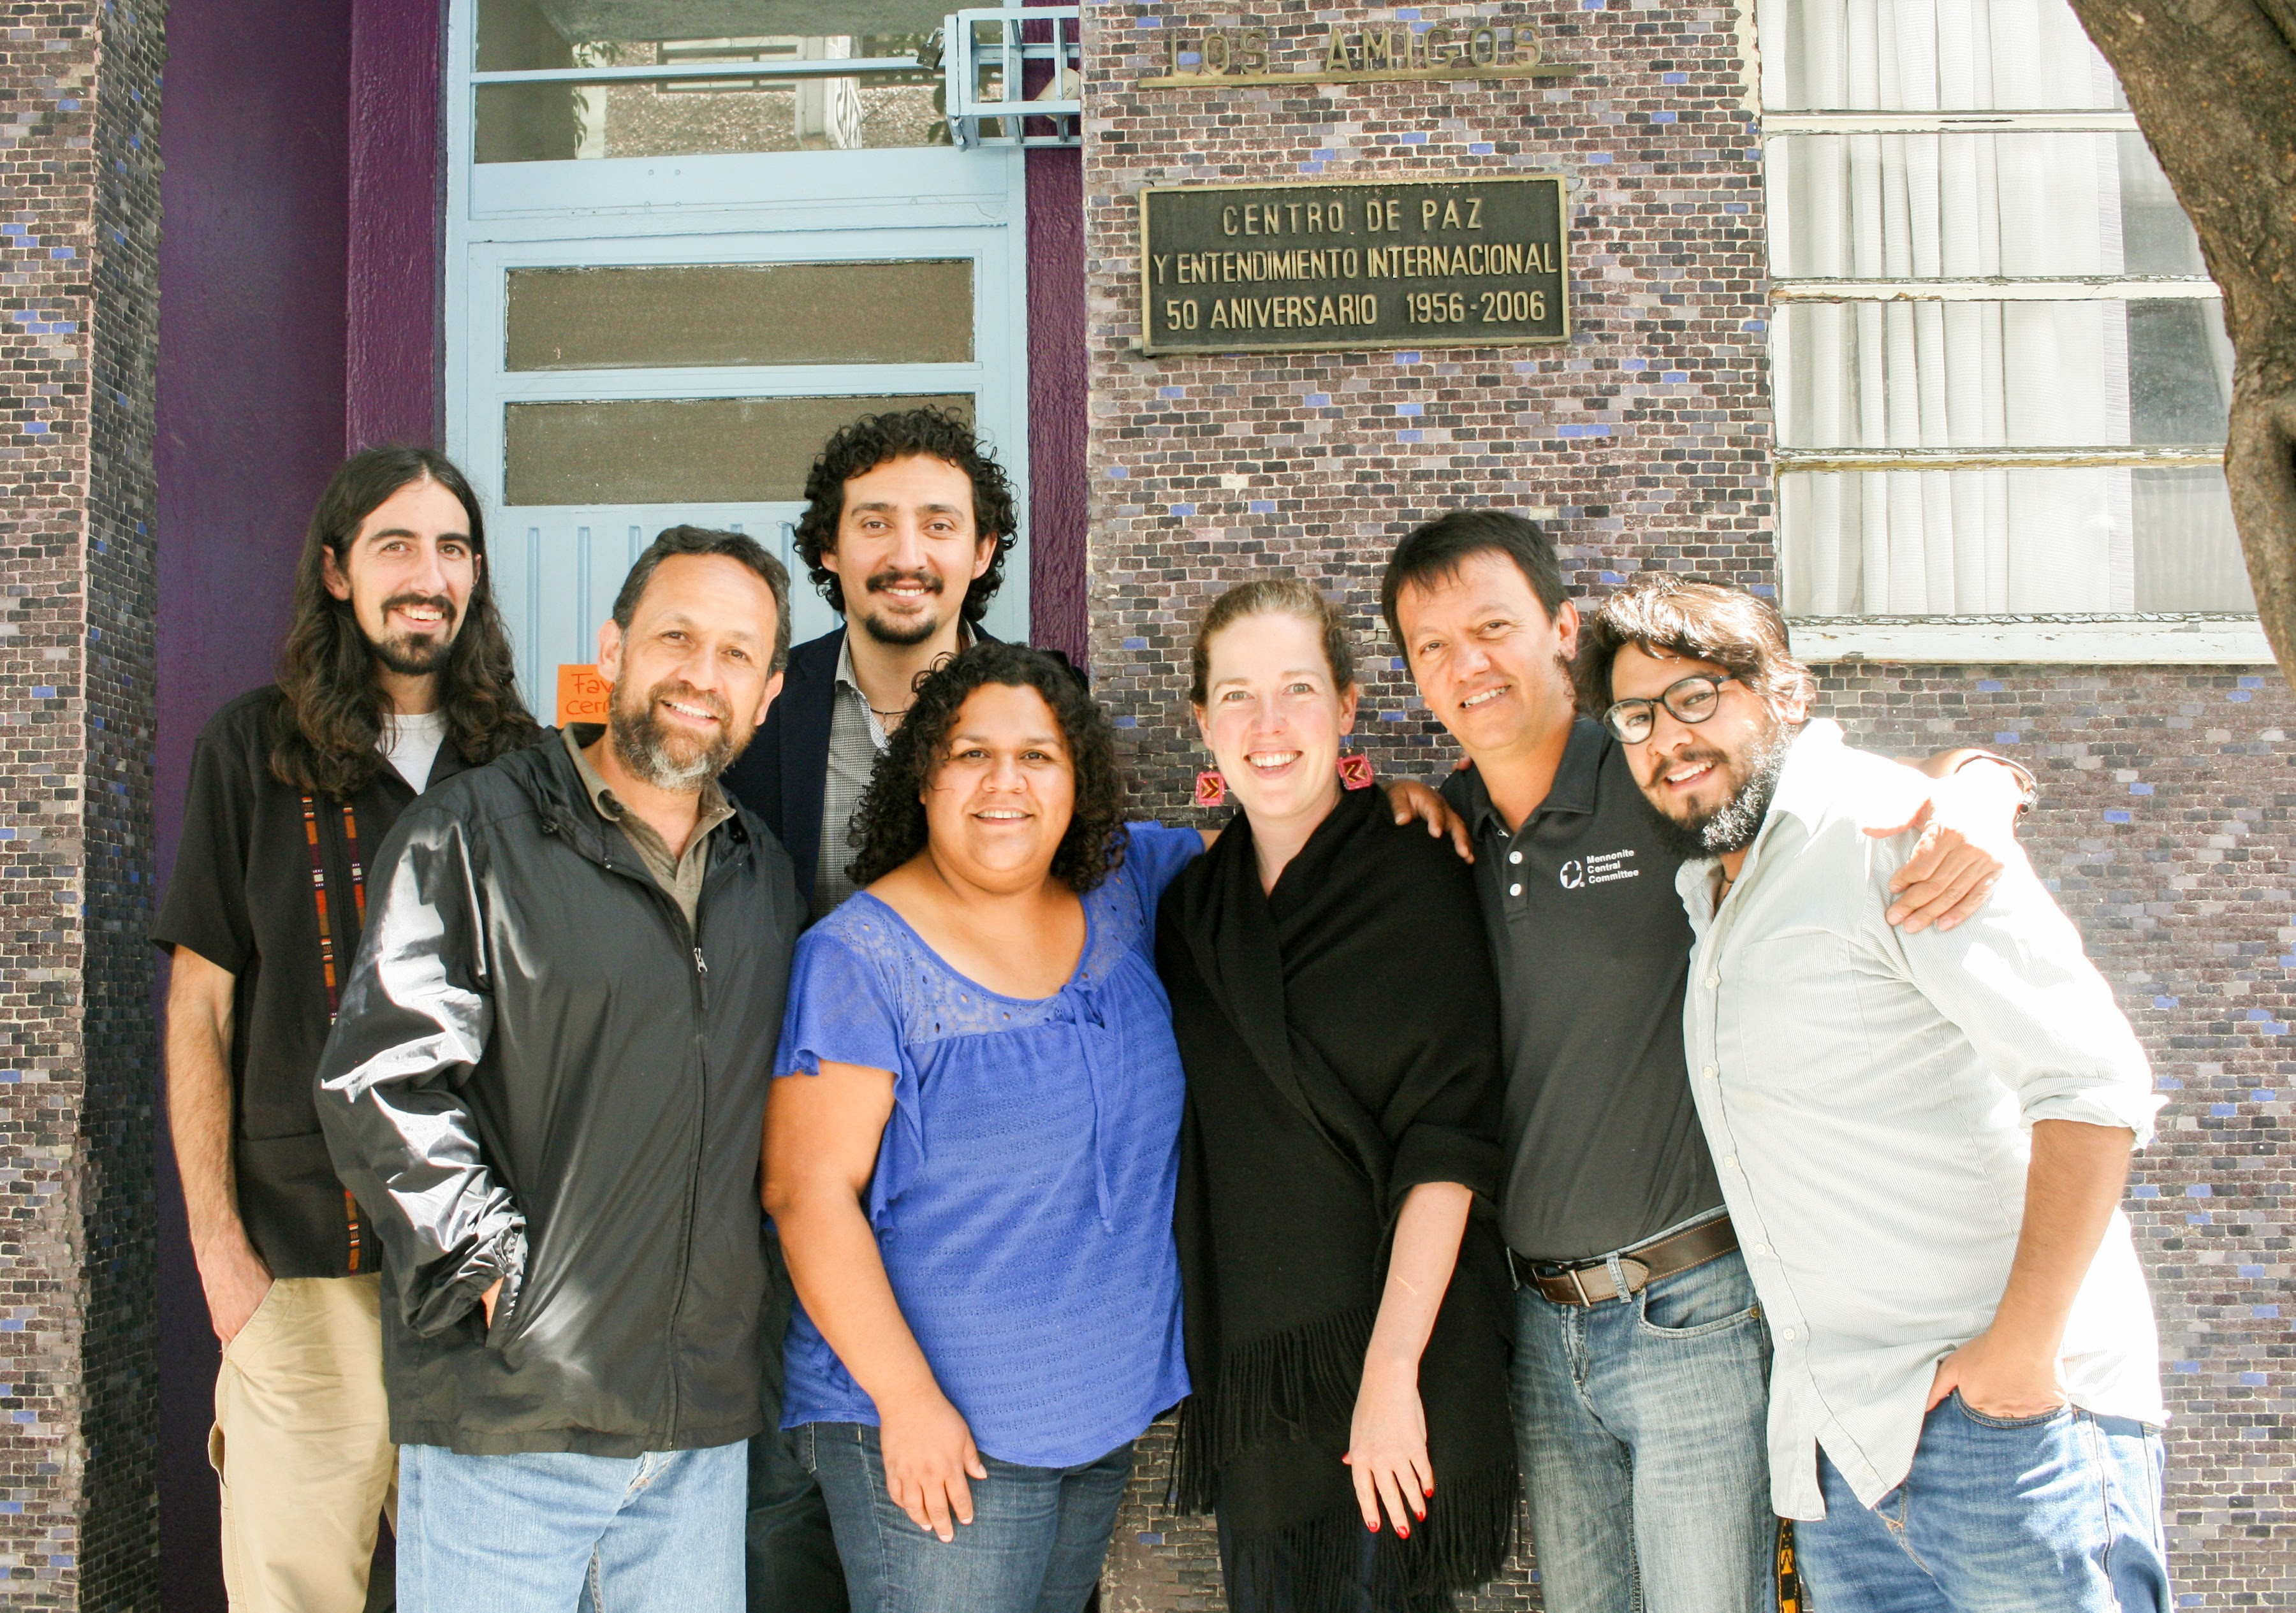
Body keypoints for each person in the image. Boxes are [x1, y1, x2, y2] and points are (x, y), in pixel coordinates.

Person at [1379, 511, 2035, 1613]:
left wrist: (1983, 782)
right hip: (1542, 1327)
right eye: (1431, 647)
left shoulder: (1655, 769)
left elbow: (1852, 794)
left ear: (1560, 628)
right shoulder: (1449, 829)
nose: (1466, 664)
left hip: (1698, 1309)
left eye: (1492, 627)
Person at [1586, 575, 2169, 1612]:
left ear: (1787, 694)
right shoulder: (1714, 891)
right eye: (1635, 715)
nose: (1665, 737)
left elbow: (2092, 1083)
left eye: (1695, 695)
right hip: (1847, 1457)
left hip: (2004, 1436)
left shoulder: (1889, 830)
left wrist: (2019, 1361)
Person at [312, 527, 804, 1612]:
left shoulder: (763, 878)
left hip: (698, 1434)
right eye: (675, 636)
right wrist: (488, 1265)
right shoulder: (475, 834)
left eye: (735, 654)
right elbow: (381, 1073)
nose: (699, 675)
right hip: (513, 1424)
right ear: (613, 648)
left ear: (767, 695)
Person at [154, 446, 542, 1612]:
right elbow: (198, 1010)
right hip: (301, 1268)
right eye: (397, 546)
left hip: (484, 1276)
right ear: (336, 570)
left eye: (453, 549)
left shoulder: (525, 771)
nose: (429, 575)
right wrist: (221, 1254)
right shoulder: (249, 752)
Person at [762, 643, 1203, 1613]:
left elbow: (1283, 850)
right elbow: (805, 1192)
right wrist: (907, 1402)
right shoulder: (857, 958)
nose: (1005, 781)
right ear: (923, 777)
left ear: (1077, 779)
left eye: (1039, 755)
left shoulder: (1122, 888)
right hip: (932, 1430)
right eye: (971, 754)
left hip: (1099, 1406)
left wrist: (1397, 801)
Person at [1158, 579, 1517, 1613]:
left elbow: (1449, 1141)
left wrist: (1390, 1372)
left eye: (1297, 690)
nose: (1267, 727)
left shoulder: (1421, 870)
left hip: (1395, 1357)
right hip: (1260, 1383)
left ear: (1347, 706)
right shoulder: (1188, 910)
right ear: (1201, 722)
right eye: (1235, 696)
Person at [720, 407, 1014, 1613]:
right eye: (875, 522)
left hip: (979, 1204)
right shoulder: (754, 714)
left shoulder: (1038, 711)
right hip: (790, 1180)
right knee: (786, 1515)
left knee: (977, 1502)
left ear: (983, 550)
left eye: (938, 524)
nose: (908, 550)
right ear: (828, 551)